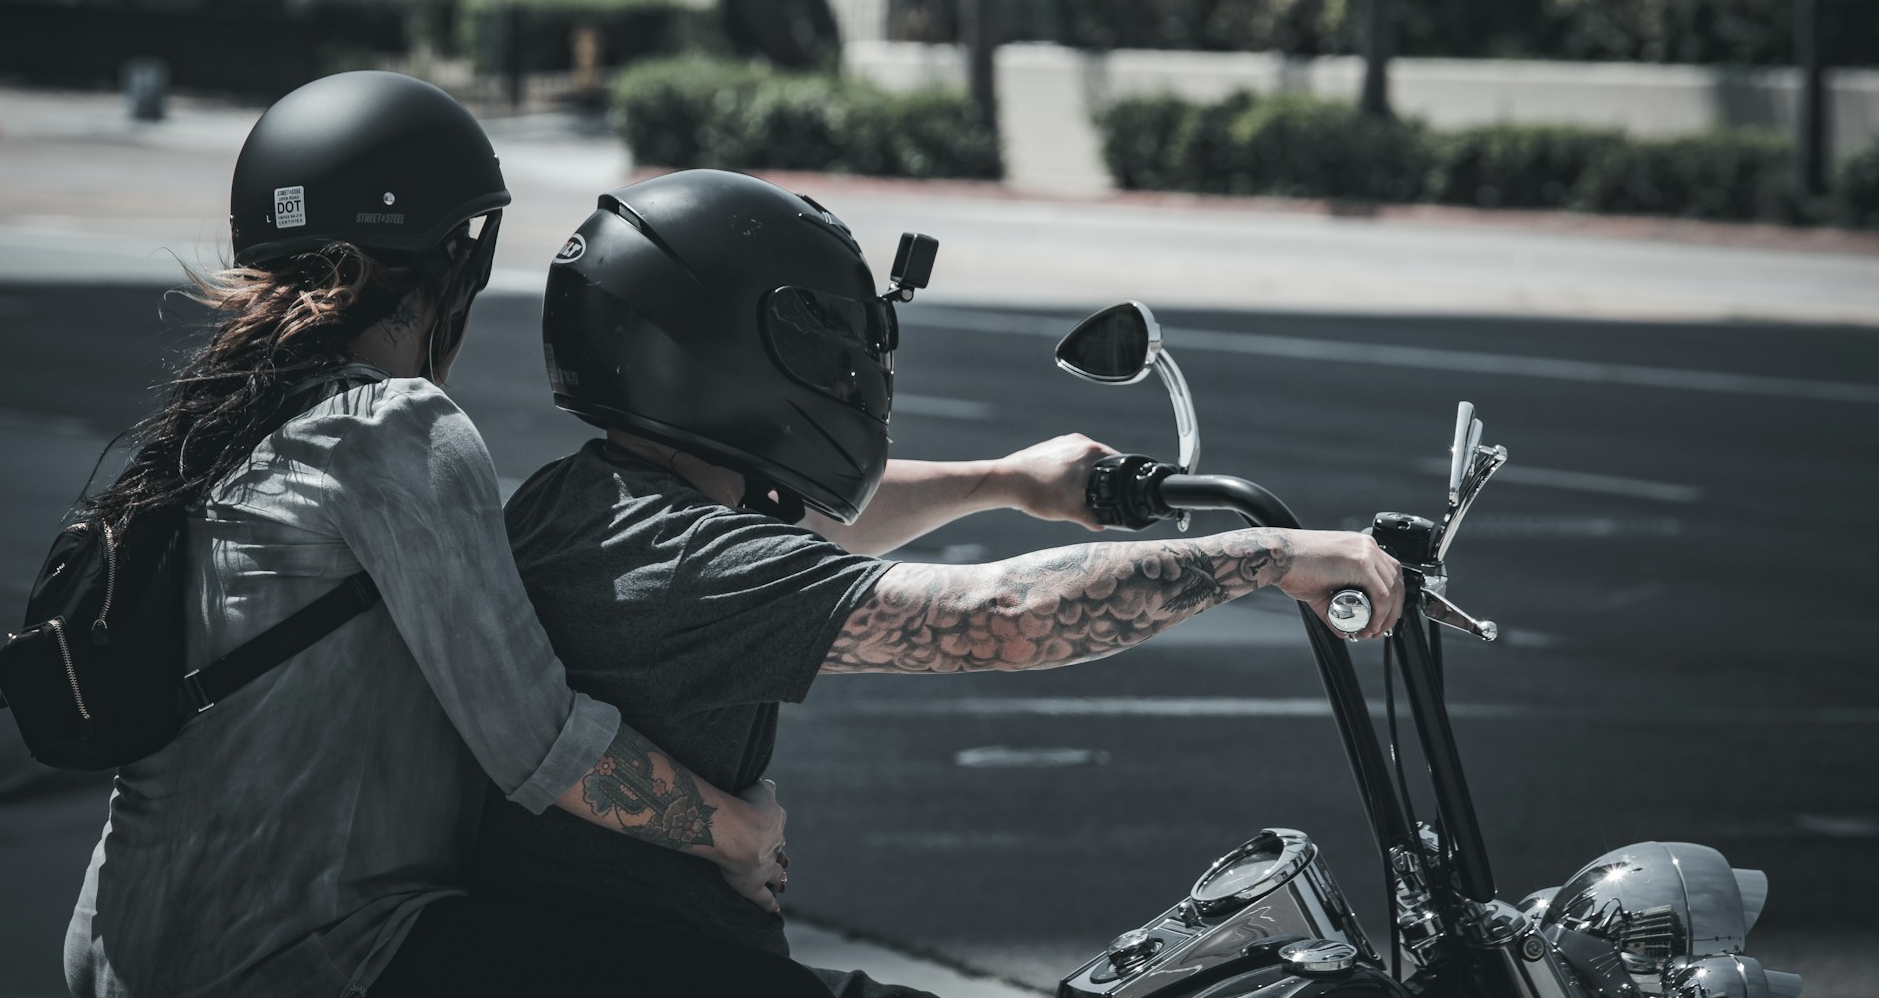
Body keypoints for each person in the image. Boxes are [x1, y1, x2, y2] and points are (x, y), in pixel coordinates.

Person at [470, 170, 1403, 997]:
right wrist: (1278, 557)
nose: (858, 363)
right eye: (836, 332)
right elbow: (1006, 619)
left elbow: (801, 527)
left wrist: (1008, 481)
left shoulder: (587, 502)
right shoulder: (688, 561)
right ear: (747, 346)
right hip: (664, 967)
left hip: (588, 951)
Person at [64, 75, 830, 998]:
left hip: (119, 947)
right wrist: (743, 835)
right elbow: (536, 740)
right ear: (453, 259)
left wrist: (991, 482)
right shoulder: (392, 426)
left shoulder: (215, 425)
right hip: (314, 954)